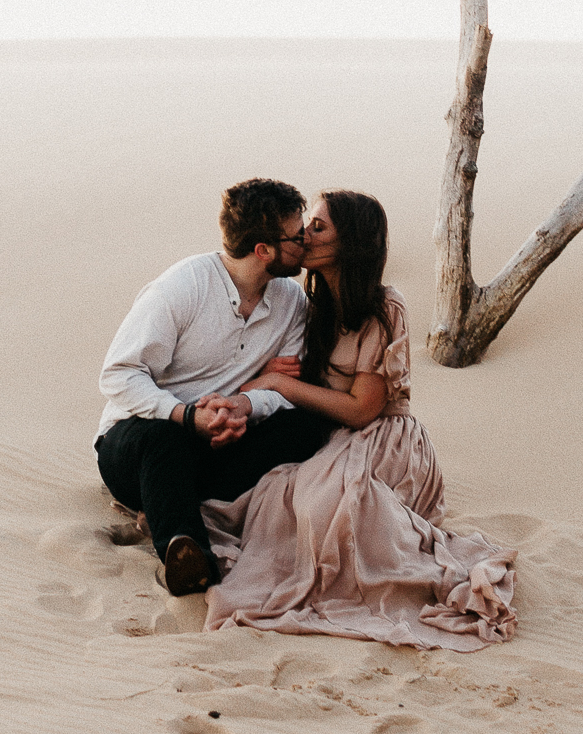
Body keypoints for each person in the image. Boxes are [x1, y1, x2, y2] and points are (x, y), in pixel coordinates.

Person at [202, 189, 516, 647]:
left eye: (319, 226)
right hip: (335, 436)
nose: (304, 234)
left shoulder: (386, 307)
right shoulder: (313, 309)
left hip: (385, 438)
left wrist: (279, 384)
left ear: (350, 242)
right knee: (270, 497)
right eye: (308, 223)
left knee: (324, 506)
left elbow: (364, 407)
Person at [95, 178, 336, 597]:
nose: (305, 243)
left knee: (305, 424)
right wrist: (188, 415)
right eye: (297, 236)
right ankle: (191, 558)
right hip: (140, 441)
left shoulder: (292, 303)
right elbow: (119, 374)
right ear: (264, 250)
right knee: (164, 441)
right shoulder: (181, 288)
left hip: (221, 443)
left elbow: (284, 387)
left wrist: (243, 402)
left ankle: (166, 505)